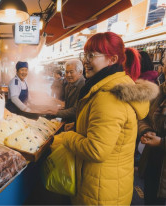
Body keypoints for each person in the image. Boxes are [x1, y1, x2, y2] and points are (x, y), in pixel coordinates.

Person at [52, 32, 159, 205]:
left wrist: (66, 137)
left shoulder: (107, 97)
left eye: (92, 55)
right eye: (85, 54)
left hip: (99, 192)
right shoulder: (109, 88)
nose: (86, 60)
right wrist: (79, 128)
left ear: (112, 59)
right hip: (110, 185)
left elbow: (96, 149)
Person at [138, 51, 166, 205]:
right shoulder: (159, 91)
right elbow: (143, 117)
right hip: (152, 163)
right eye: (164, 64)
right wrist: (145, 131)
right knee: (150, 199)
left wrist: (161, 142)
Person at [47, 59, 85, 124]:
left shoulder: (83, 86)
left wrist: (55, 112)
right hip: (66, 121)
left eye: (71, 72)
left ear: (80, 72)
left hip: (75, 123)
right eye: (66, 72)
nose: (68, 75)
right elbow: (68, 105)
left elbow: (75, 110)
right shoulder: (68, 85)